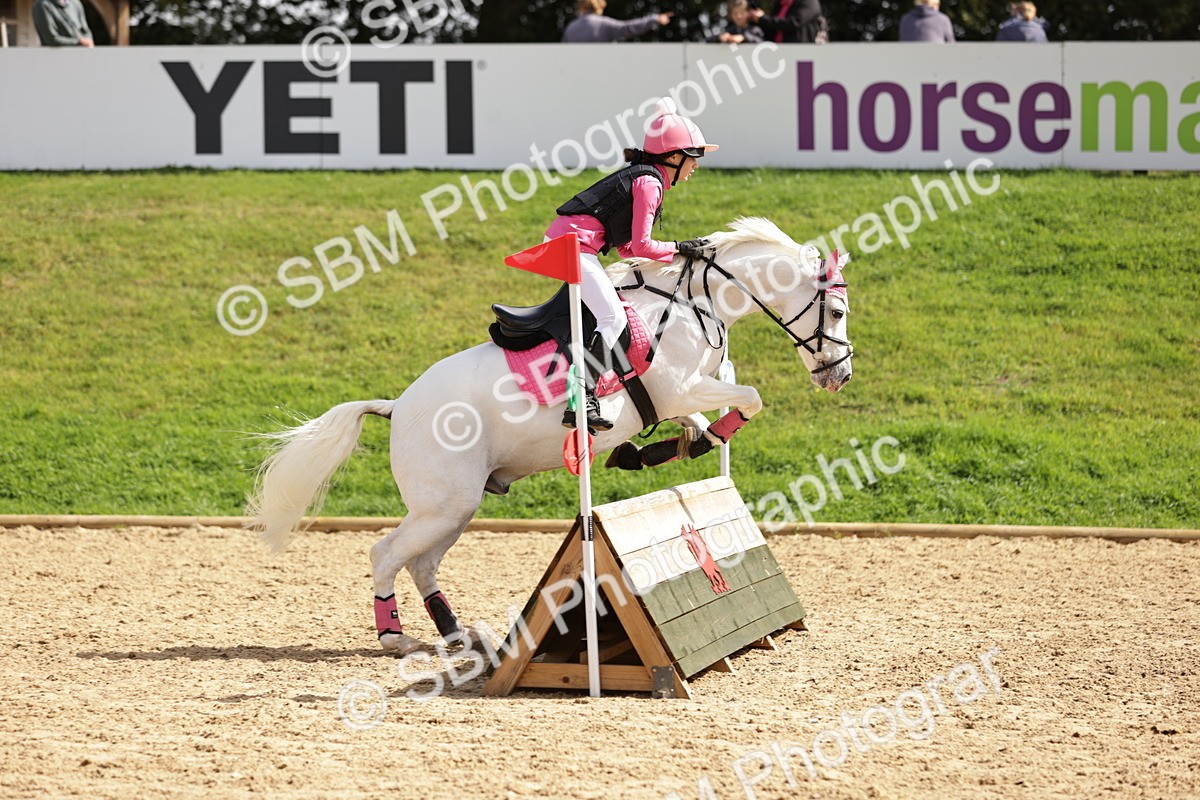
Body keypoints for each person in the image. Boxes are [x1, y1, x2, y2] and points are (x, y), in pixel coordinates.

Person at [547, 97, 718, 431]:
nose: (695, 166)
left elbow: (627, 249)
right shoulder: (650, 183)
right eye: (693, 158)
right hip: (572, 247)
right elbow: (641, 245)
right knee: (612, 317)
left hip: (572, 244)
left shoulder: (646, 178)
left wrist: (677, 252)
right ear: (673, 157)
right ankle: (580, 399)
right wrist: (680, 248)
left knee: (610, 314)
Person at [562, 0, 673, 43]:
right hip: (603, 72)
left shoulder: (571, 28)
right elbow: (628, 28)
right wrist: (654, 19)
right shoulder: (604, 24)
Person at [749, 0, 828, 44]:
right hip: (779, 53)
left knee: (803, 73)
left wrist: (763, 19)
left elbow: (794, 23)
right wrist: (756, 19)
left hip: (802, 52)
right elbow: (772, 26)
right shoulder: (779, 4)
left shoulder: (808, 2)